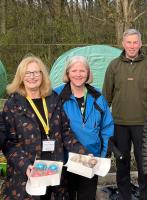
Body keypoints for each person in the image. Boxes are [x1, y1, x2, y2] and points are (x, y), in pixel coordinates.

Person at [1, 55, 87, 200]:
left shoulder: (53, 98)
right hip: (28, 173)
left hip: (54, 169)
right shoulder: (13, 104)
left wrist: (82, 153)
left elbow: (65, 132)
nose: (32, 77)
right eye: (28, 73)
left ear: (43, 75)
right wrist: (25, 166)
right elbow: (9, 144)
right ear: (21, 76)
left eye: (36, 72)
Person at [54, 55, 114, 200]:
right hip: (65, 159)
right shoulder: (56, 95)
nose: (78, 74)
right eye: (74, 70)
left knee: (87, 196)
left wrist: (103, 154)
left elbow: (107, 127)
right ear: (67, 73)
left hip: (90, 158)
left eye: (82, 70)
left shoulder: (98, 96)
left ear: (88, 73)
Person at [102, 28, 147, 200]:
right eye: (129, 42)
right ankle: (124, 195)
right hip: (119, 123)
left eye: (135, 42)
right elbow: (106, 97)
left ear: (140, 43)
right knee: (122, 162)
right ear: (123, 43)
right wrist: (104, 123)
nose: (132, 46)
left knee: (144, 164)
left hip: (143, 123)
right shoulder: (114, 65)